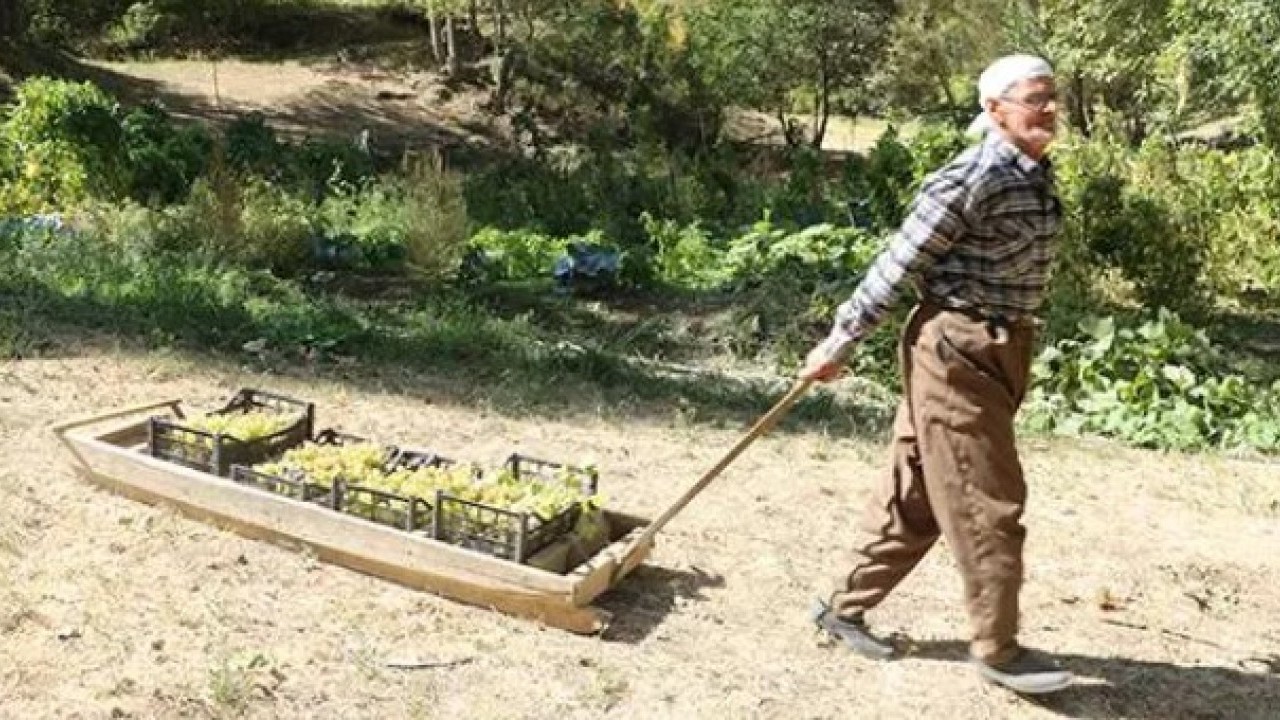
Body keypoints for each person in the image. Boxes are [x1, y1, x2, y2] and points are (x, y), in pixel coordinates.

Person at [800, 54, 1073, 695]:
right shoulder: (972, 175)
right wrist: (840, 340)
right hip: (958, 350)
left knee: (918, 490)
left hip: (1001, 347)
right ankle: (998, 649)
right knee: (986, 500)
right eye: (1037, 99)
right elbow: (896, 264)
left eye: (1054, 97)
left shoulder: (1033, 171)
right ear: (994, 109)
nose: (1051, 109)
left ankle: (842, 607)